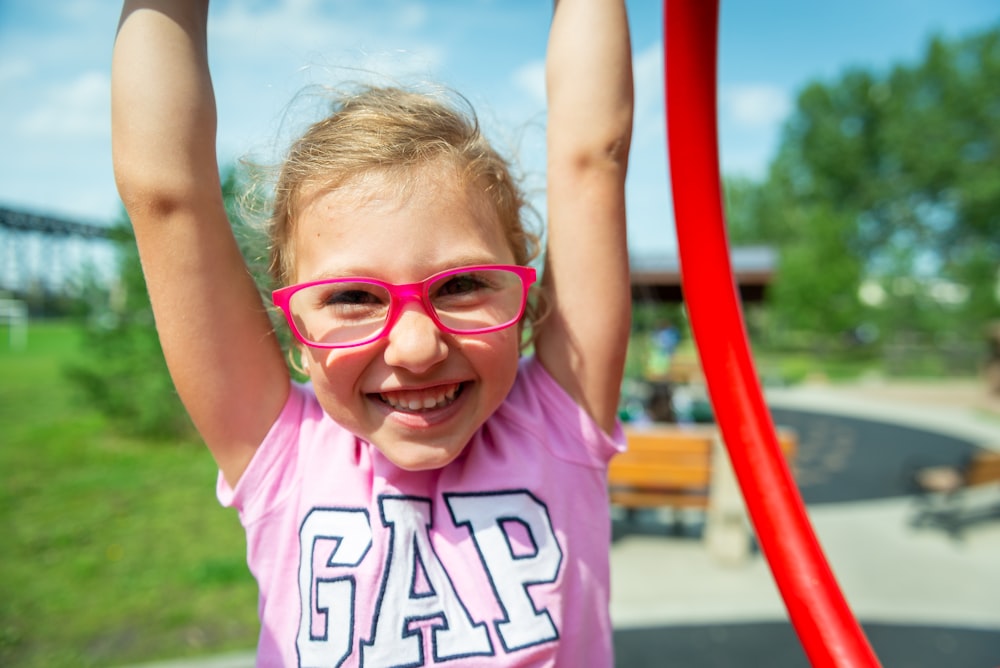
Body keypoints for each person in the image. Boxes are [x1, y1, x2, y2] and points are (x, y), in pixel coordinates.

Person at [111, 0, 633, 665]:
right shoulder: (283, 458)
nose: (417, 348)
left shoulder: (559, 420)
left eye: (462, 285)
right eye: (354, 297)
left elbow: (594, 158)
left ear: (524, 297)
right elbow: (168, 197)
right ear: (297, 334)